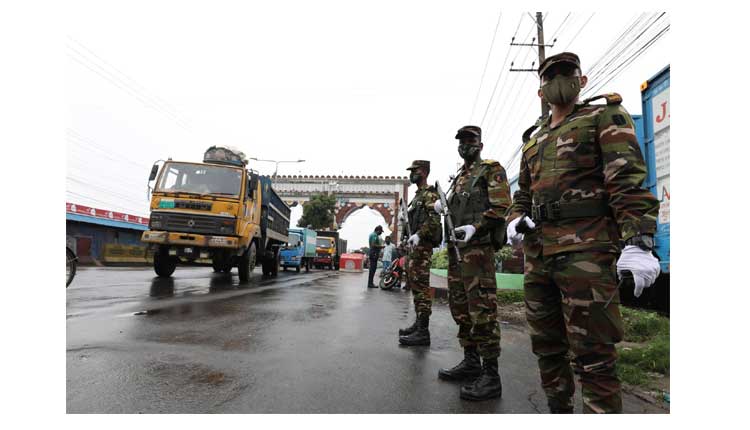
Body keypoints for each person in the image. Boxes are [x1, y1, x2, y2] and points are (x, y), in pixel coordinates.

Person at [506, 52, 660, 414]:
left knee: (594, 358)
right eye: (550, 76)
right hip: (539, 257)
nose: (559, 80)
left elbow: (627, 180)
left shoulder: (603, 117)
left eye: (566, 73)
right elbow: (523, 195)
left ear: (582, 80)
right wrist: (516, 219)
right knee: (547, 349)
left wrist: (639, 242)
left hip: (587, 254)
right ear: (540, 90)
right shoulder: (533, 140)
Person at [434, 126, 511, 401]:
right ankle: (470, 362)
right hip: (457, 252)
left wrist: (476, 228)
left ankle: (491, 376)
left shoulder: (491, 170)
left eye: (470, 140)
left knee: (483, 311)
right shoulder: (459, 177)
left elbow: (502, 207)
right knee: (461, 309)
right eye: (462, 142)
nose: (465, 145)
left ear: (480, 143)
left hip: (477, 251)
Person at [398, 160, 441, 347]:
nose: (411, 174)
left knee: (422, 289)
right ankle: (418, 324)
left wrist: (419, 235)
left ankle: (424, 332)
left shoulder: (430, 194)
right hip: (414, 247)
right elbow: (412, 222)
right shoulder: (417, 196)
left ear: (423, 172)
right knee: (415, 286)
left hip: (422, 247)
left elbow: (434, 219)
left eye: (414, 171)